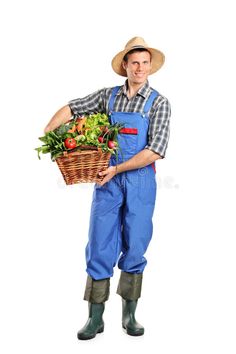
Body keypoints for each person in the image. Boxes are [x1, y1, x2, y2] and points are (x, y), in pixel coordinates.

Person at [44, 37, 171, 340]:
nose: (139, 68)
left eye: (144, 62)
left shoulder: (159, 103)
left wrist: (118, 168)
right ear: (125, 65)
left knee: (136, 242)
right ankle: (94, 317)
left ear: (149, 66)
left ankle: (129, 314)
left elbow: (155, 150)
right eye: (134, 62)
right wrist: (49, 132)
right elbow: (73, 107)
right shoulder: (108, 97)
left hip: (140, 180)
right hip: (106, 179)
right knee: (100, 242)